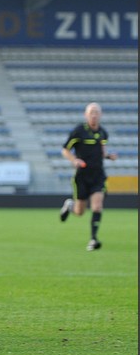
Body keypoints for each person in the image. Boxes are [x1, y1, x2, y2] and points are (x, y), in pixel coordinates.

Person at [59, 102, 117, 251]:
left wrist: (109, 156)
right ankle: (69, 205)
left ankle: (93, 239)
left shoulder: (103, 133)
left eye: (96, 112)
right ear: (86, 115)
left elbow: (102, 151)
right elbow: (65, 150)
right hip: (82, 177)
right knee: (79, 212)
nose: (94, 115)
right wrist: (74, 160)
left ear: (100, 115)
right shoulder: (79, 131)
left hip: (98, 176)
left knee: (97, 206)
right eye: (91, 112)